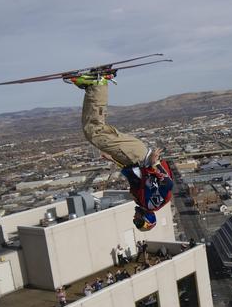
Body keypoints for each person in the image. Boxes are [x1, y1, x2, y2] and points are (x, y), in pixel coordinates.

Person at [66, 73, 174, 232]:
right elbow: (168, 184)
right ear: (146, 220)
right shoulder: (152, 204)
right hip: (139, 156)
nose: (134, 219)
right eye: (138, 222)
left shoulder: (142, 201)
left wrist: (114, 160)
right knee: (94, 132)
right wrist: (155, 165)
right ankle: (97, 84)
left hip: (132, 157)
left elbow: (135, 175)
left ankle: (95, 88)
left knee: (98, 131)